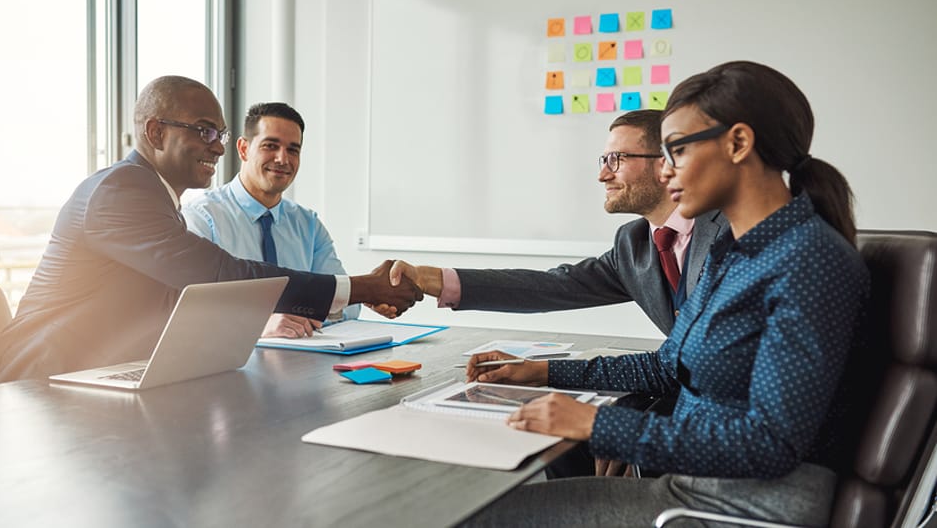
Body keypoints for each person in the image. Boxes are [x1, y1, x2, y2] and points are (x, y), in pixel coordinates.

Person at [459, 61, 870, 527]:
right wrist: (545, 372)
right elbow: (666, 365)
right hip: (691, 485)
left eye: (675, 151)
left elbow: (770, 446)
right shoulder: (733, 251)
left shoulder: (806, 260)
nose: (665, 172)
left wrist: (599, 424)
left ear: (738, 143)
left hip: (744, 506)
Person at [0, 75, 421, 384]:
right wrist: (365, 287)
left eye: (221, 134)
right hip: (34, 380)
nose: (218, 147)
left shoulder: (156, 196)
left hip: (102, 372)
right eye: (205, 131)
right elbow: (220, 276)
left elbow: (180, 302)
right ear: (155, 131)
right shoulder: (120, 192)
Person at [388, 109, 728, 477]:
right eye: (603, 160)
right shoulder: (634, 242)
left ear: (665, 163)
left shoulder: (731, 233)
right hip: (685, 398)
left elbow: (702, 370)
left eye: (617, 159)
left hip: (723, 426)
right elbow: (554, 285)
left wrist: (633, 425)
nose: (603, 174)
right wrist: (434, 278)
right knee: (563, 437)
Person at [182, 102, 358, 339]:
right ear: (244, 149)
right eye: (270, 146)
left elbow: (349, 306)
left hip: (305, 361)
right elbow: (191, 311)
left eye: (293, 150)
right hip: (230, 363)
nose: (282, 159)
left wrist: (300, 314)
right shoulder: (202, 217)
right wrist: (257, 325)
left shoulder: (309, 225)